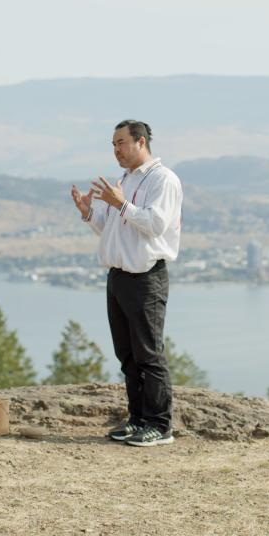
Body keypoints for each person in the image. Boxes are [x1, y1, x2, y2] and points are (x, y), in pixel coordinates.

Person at [70, 119, 183, 447]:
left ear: (141, 142)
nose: (116, 149)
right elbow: (113, 229)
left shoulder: (164, 180)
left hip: (146, 279)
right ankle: (137, 420)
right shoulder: (125, 179)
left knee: (149, 353)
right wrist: (90, 212)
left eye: (121, 142)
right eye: (113, 144)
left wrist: (121, 203)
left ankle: (160, 426)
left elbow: (155, 225)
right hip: (119, 277)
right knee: (128, 355)